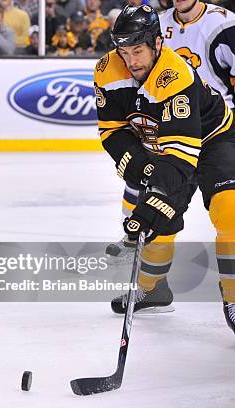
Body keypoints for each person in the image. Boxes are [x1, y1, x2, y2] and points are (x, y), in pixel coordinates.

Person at [94, 5, 235, 334]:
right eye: (124, 52)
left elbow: (182, 157)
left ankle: (233, 296)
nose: (132, 61)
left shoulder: (176, 74)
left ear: (157, 43)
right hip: (163, 145)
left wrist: (158, 195)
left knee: (229, 209)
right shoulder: (106, 70)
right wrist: (142, 170)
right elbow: (112, 132)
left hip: (214, 139)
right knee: (158, 222)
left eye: (138, 51)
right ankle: (153, 289)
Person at [107, 1, 235, 259]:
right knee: (144, 180)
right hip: (170, 124)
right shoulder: (157, 22)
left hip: (214, 125)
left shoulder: (224, 23)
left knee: (227, 205)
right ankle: (135, 238)